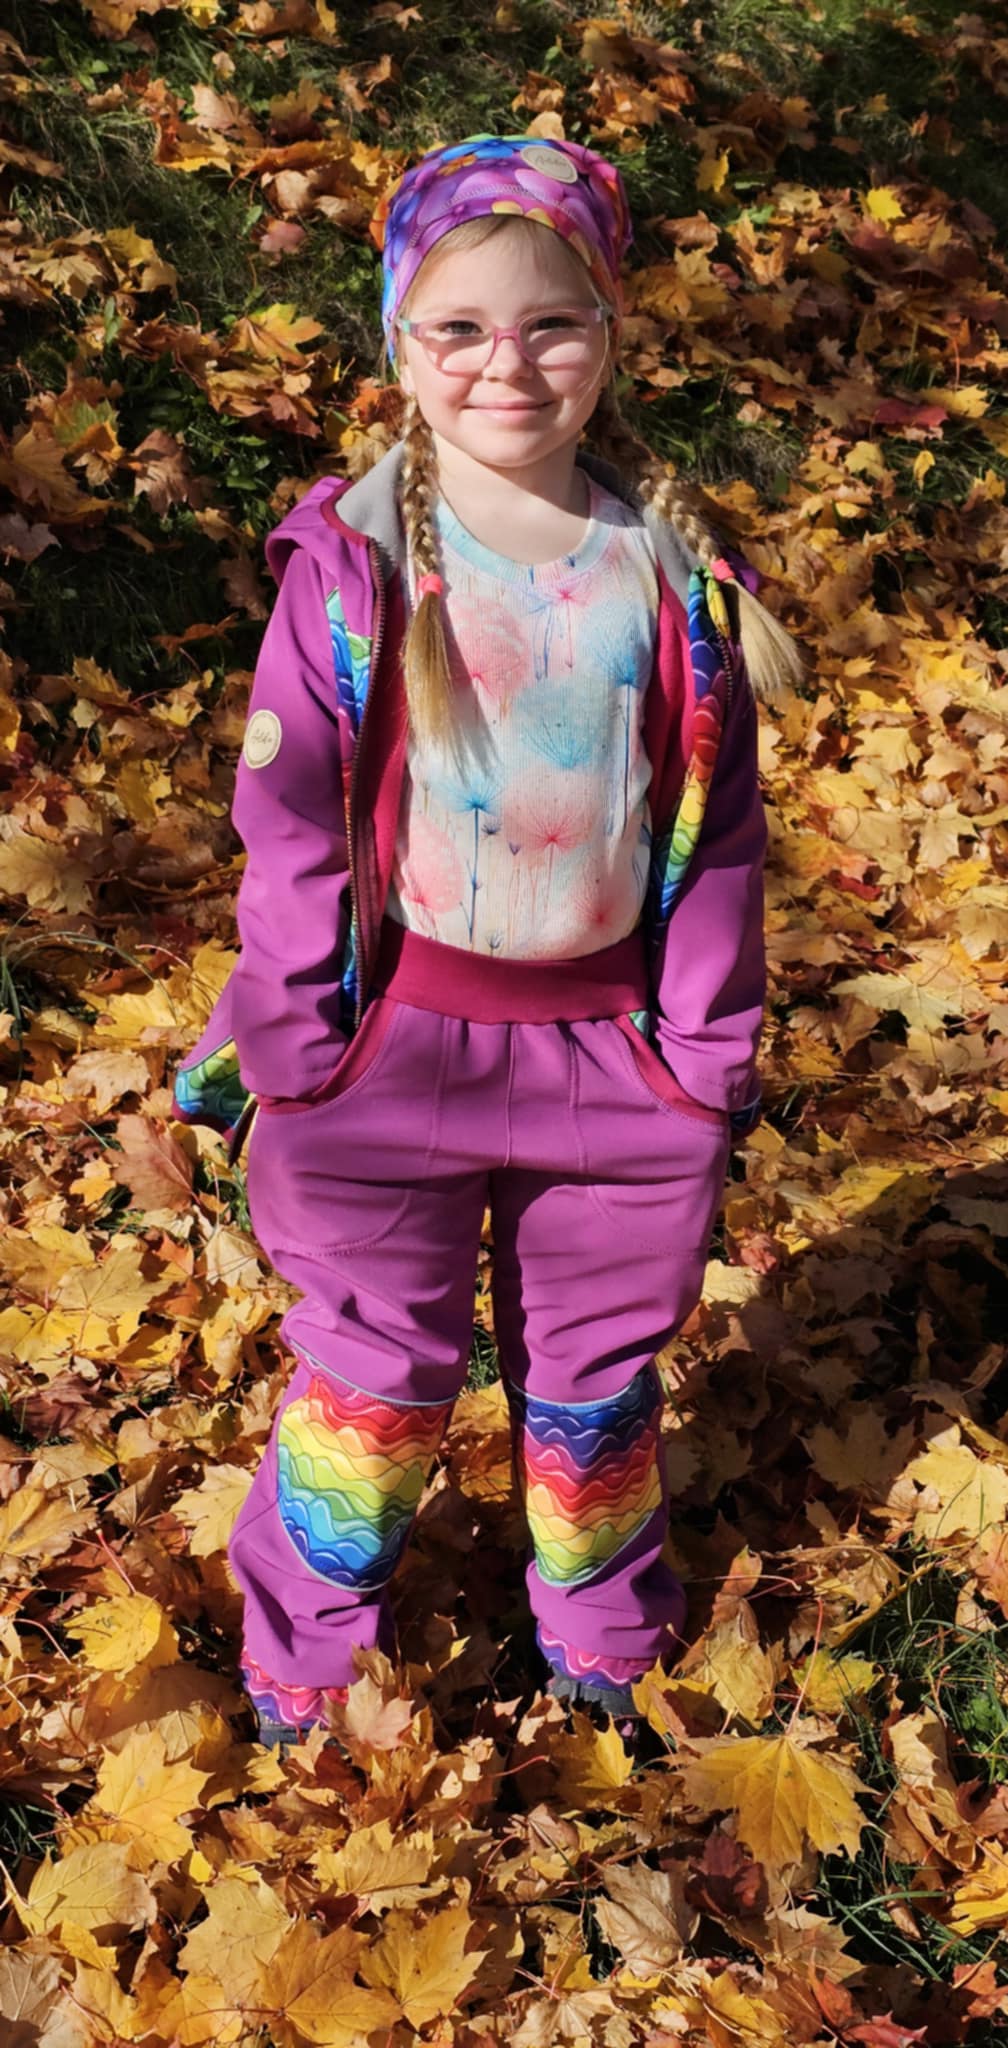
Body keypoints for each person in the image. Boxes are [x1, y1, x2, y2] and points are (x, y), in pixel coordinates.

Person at [172, 133, 801, 1747]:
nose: (504, 364)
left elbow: (718, 837)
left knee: (594, 1388)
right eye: (457, 329)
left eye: (550, 324)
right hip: (386, 1056)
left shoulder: (670, 580)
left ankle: (601, 1642)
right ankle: (306, 1660)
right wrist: (295, 1035)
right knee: (373, 1384)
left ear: (611, 336)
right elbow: (292, 826)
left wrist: (704, 1048)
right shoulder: (355, 571)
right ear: (399, 348)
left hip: (618, 1064)